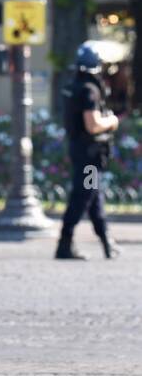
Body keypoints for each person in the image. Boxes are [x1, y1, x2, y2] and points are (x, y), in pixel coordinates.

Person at [56, 41, 121, 260]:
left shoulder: (74, 86)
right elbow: (92, 125)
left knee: (93, 197)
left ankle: (106, 242)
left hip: (83, 153)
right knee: (84, 197)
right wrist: (111, 121)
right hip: (90, 156)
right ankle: (65, 243)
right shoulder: (89, 90)